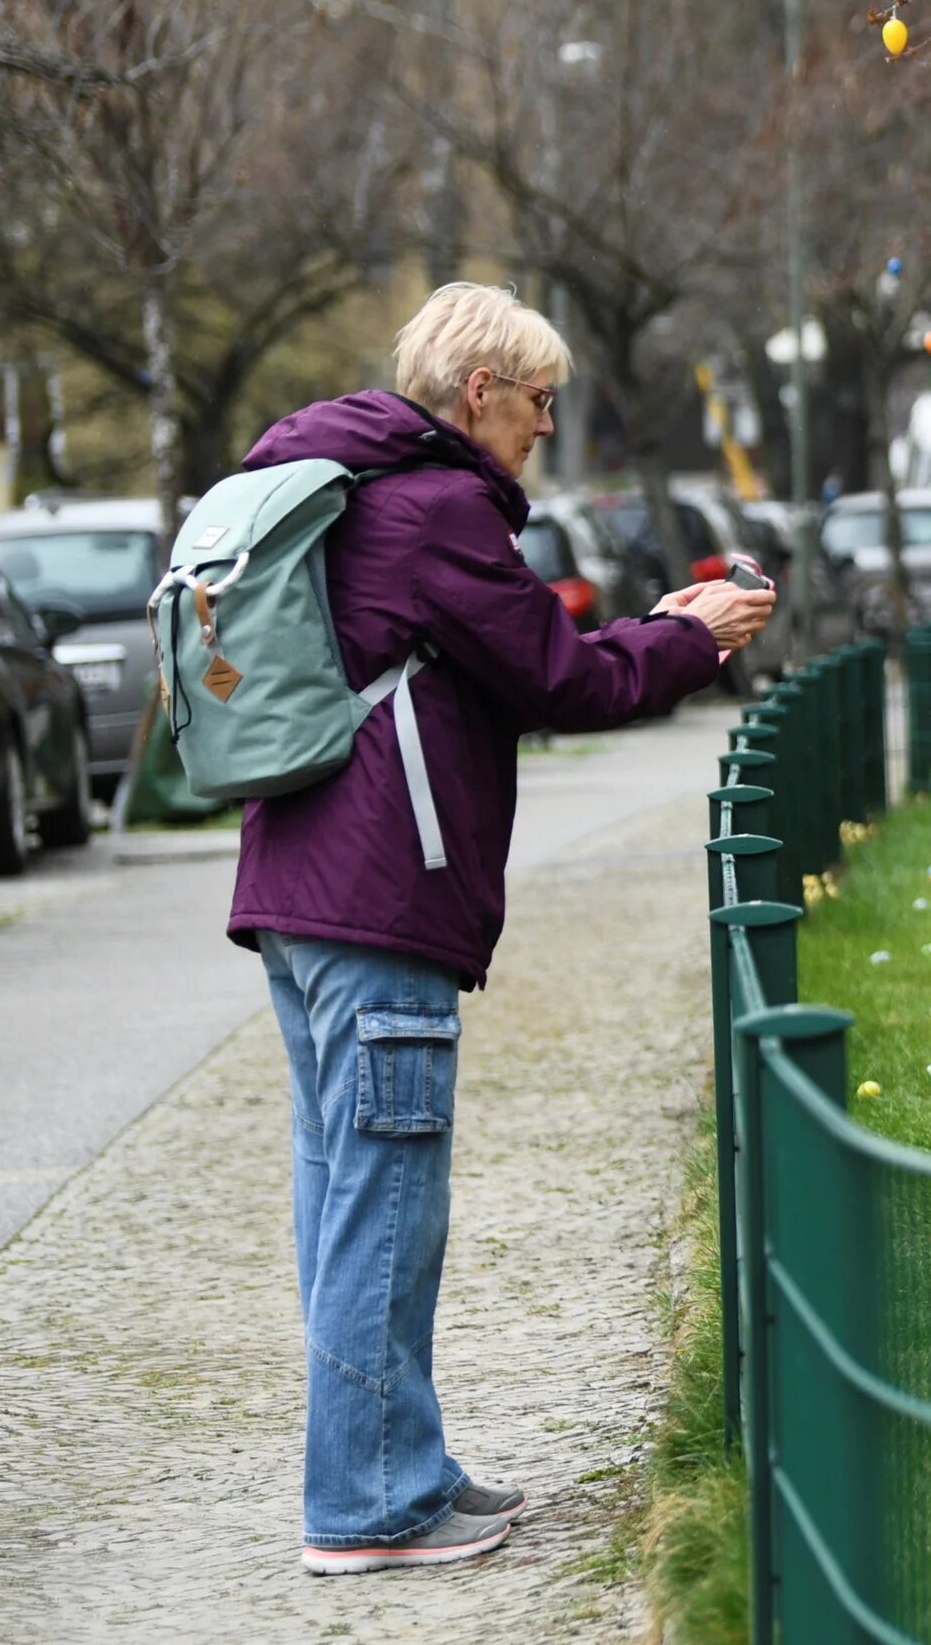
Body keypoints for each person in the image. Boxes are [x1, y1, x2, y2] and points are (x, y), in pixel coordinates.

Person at [225, 282, 772, 1575]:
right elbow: (560, 674)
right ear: (480, 393)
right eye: (538, 404)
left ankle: (399, 1470)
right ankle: (365, 1507)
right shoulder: (432, 507)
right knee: (387, 1206)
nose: (541, 429)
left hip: (303, 895)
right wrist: (692, 638)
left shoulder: (346, 485)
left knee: (347, 1197)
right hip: (382, 902)